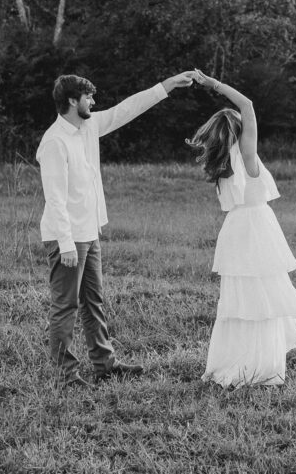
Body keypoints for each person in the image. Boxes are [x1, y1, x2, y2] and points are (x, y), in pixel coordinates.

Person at [37, 70, 194, 387]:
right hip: (67, 237)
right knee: (66, 306)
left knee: (93, 302)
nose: (93, 102)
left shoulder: (89, 126)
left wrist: (167, 85)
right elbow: (55, 199)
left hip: (88, 232)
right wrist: (66, 244)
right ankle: (65, 376)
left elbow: (127, 109)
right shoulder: (54, 142)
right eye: (88, 97)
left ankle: (105, 365)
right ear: (72, 101)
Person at [187, 69, 296, 387]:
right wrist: (213, 84)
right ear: (241, 132)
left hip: (235, 230)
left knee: (241, 301)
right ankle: (260, 366)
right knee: (263, 300)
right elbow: (248, 105)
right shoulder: (246, 157)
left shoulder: (221, 164)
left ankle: (237, 361)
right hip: (256, 228)